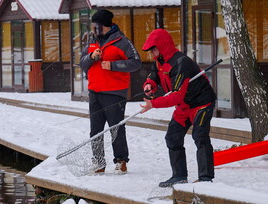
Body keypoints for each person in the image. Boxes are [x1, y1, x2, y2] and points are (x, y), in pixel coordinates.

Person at [139, 28, 217, 187]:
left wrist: (153, 104)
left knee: (200, 136)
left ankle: (205, 178)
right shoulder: (159, 61)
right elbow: (154, 76)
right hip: (183, 107)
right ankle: (179, 175)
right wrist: (149, 85)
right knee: (172, 137)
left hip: (201, 103)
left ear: (162, 45)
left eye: (153, 49)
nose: (152, 53)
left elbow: (176, 95)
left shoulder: (181, 62)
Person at [80, 9, 142, 174]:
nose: (93, 28)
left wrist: (113, 65)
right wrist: (91, 57)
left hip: (115, 93)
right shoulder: (92, 42)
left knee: (116, 128)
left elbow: (136, 63)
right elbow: (82, 63)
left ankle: (121, 161)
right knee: (95, 130)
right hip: (94, 92)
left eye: (96, 25)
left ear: (105, 26)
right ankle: (99, 163)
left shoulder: (122, 42)